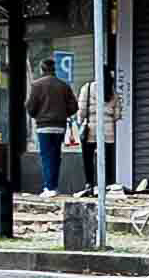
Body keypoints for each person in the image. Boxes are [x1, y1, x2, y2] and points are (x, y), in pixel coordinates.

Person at [24, 58, 77, 197]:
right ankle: (54, 186)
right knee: (56, 156)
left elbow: (30, 107)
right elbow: (74, 107)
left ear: (42, 69)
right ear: (54, 69)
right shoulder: (63, 85)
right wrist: (63, 113)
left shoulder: (36, 85)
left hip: (44, 126)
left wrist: (37, 115)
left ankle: (49, 187)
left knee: (47, 157)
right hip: (60, 126)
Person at [76, 69, 123, 192]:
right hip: (108, 132)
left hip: (91, 130)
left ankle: (89, 184)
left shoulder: (88, 88)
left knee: (88, 158)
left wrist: (80, 121)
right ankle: (107, 184)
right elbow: (117, 115)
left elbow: (81, 111)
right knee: (107, 159)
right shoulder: (113, 92)